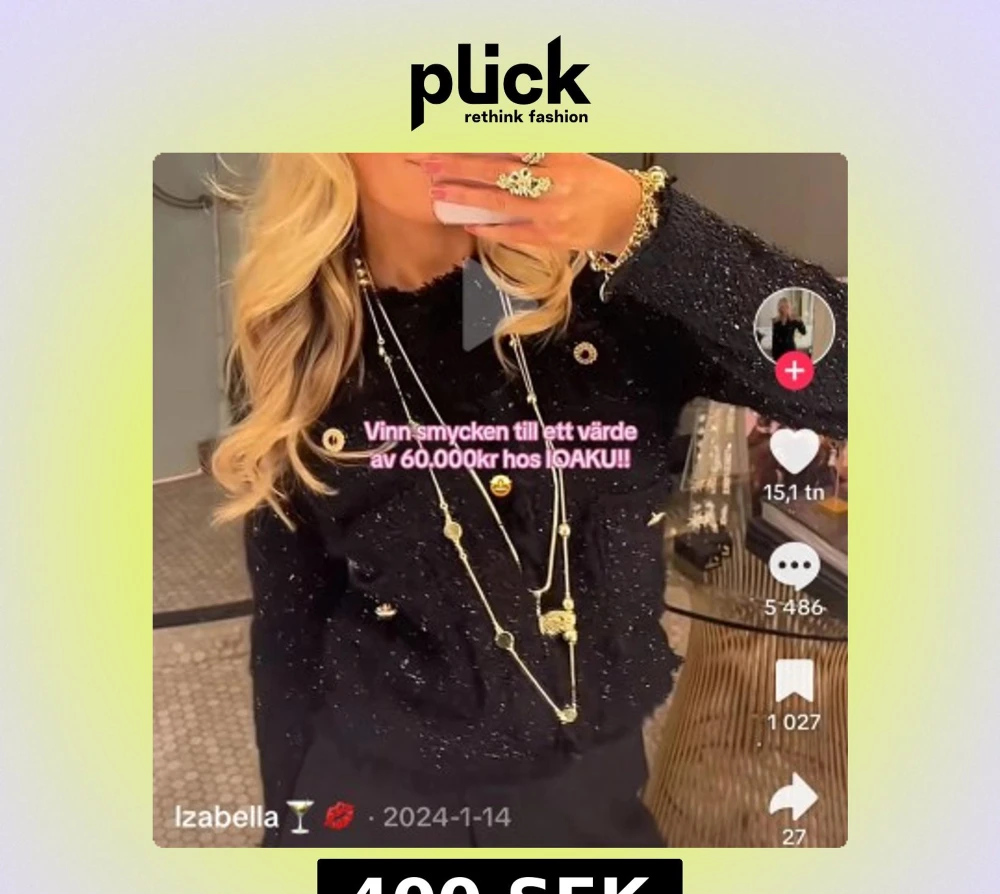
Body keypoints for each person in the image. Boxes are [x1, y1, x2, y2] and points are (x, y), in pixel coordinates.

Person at [211, 153, 847, 847]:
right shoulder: (298, 341)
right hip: (370, 801)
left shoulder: (612, 299)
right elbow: (290, 622)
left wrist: (644, 224)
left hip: (588, 807)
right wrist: (287, 831)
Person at [770, 295, 808, 360]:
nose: (785, 309)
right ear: (779, 308)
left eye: (787, 307)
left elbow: (803, 332)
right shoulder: (775, 321)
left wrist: (800, 321)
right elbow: (774, 339)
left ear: (789, 308)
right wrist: (773, 354)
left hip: (790, 349)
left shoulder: (793, 320)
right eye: (782, 307)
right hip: (778, 351)